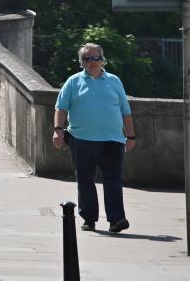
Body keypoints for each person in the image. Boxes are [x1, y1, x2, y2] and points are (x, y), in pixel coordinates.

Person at [53, 43, 135, 233]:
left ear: (102, 59)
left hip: (112, 140)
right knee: (85, 179)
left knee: (113, 179)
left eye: (96, 58)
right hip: (81, 139)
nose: (92, 62)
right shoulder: (73, 82)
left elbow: (126, 111)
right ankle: (89, 219)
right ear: (82, 62)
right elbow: (61, 107)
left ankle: (116, 219)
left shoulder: (114, 81)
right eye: (88, 59)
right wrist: (58, 129)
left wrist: (130, 136)